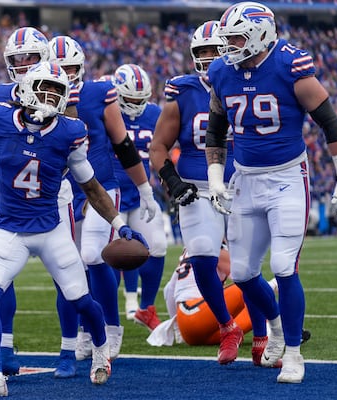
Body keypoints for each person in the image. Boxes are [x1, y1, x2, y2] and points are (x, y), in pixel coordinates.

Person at [0, 61, 148, 396]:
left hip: (50, 227)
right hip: (10, 227)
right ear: (26, 88)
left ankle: (100, 349)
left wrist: (118, 223)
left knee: (81, 299)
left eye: (57, 90)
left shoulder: (69, 132)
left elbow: (92, 187)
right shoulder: (0, 118)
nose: (50, 95)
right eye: (45, 87)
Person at [204, 1, 337, 384]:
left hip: (288, 177)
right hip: (245, 179)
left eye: (237, 37)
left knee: (284, 266)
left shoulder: (291, 64)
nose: (230, 46)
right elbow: (216, 129)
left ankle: (293, 353)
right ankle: (273, 325)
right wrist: (216, 175)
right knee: (241, 272)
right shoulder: (222, 71)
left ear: (260, 34)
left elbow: (329, 122)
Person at [48, 36, 158, 368]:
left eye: (71, 68)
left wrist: (145, 188)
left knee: (93, 256)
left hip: (101, 186)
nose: (66, 74)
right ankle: (83, 332)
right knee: (71, 265)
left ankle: (112, 327)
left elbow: (123, 144)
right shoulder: (38, 96)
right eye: (60, 68)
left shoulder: (98, 92)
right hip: (64, 191)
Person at [149, 20, 247, 365]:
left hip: (244, 183)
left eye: (215, 50)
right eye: (202, 52)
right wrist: (173, 182)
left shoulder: (247, 84)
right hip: (199, 188)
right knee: (203, 253)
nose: (208, 58)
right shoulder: (183, 90)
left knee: (250, 266)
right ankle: (227, 327)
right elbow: (158, 146)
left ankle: (268, 331)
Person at [0, 26, 51, 382]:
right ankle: (4, 352)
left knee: (74, 276)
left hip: (56, 190)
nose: (24, 64)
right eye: (17, 59)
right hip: (16, 194)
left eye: (30, 57)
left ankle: (80, 348)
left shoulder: (59, 84)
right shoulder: (3, 94)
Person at [110, 63, 167, 330]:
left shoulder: (155, 114)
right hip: (111, 194)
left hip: (142, 192)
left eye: (140, 99)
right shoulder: (107, 113)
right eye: (130, 99)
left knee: (157, 246)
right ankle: (107, 311)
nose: (135, 105)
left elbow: (163, 149)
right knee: (108, 254)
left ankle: (147, 308)